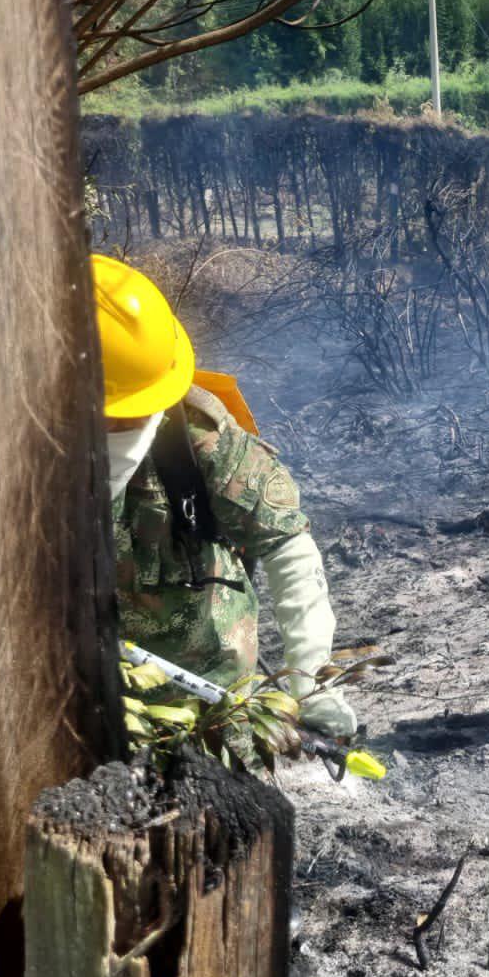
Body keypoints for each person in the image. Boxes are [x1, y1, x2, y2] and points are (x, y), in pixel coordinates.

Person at [94, 254, 357, 739]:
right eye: (115, 415)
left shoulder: (195, 436)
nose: (128, 425)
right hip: (82, 713)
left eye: (139, 412)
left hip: (214, 709)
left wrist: (311, 680)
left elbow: (287, 546)